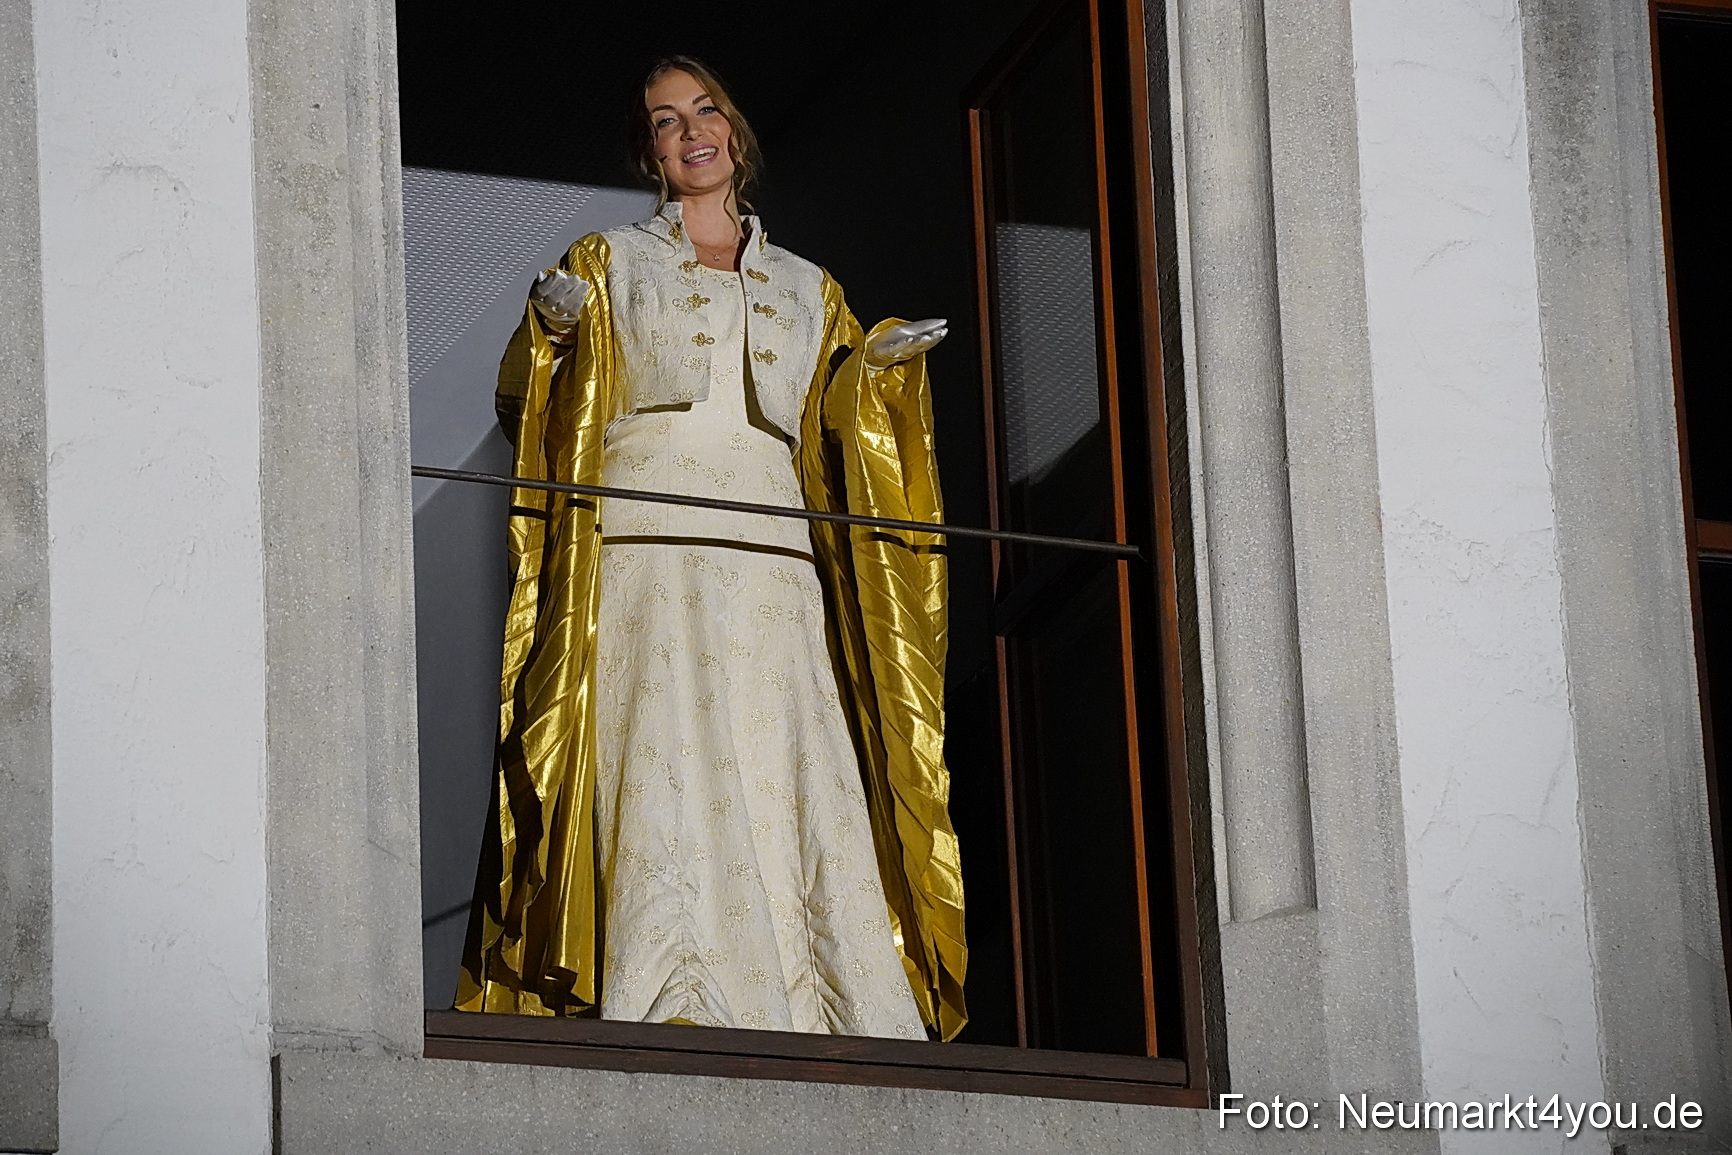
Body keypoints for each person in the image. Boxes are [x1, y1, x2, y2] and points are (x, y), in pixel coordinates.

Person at [457, 56, 966, 1041]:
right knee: (663, 743)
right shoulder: (606, 258)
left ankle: (828, 1006)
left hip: (771, 550)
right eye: (662, 122)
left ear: (733, 129)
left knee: (785, 750)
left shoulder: (812, 286)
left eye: (703, 112)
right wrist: (552, 335)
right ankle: (670, 994)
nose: (689, 132)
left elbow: (834, 431)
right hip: (644, 535)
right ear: (647, 152)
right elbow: (536, 396)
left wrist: (879, 374)